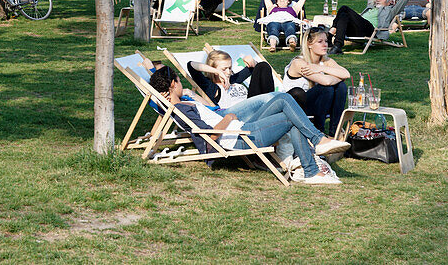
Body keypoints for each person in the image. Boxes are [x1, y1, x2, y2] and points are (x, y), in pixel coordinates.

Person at [149, 66, 347, 184]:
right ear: (173, 84)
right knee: (290, 119)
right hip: (238, 138)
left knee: (283, 100)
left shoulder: (182, 103)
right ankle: (313, 164)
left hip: (240, 128)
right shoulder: (180, 110)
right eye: (178, 81)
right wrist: (229, 118)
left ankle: (317, 143)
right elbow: (210, 138)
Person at [281, 27, 350, 134]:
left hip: (318, 104)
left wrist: (321, 68)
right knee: (326, 88)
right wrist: (336, 77)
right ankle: (319, 131)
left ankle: (335, 131)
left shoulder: (326, 61)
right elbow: (326, 82)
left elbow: (346, 74)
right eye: (320, 42)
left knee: (341, 86)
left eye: (326, 41)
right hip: (297, 107)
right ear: (309, 44)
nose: (325, 45)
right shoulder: (299, 63)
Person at [186, 49, 278, 108]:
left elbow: (256, 68)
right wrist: (218, 72)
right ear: (212, 69)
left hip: (255, 105)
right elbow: (190, 65)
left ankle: (272, 104)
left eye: (230, 68)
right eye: (224, 69)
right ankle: (272, 105)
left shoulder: (233, 79)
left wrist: (251, 60)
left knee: (263, 66)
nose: (228, 72)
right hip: (243, 114)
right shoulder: (211, 87)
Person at [328, 0, 408, 53]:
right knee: (344, 15)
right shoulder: (371, 7)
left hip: (370, 30)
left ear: (389, 2)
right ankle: (337, 46)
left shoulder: (390, 10)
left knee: (344, 8)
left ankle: (330, 36)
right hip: (358, 29)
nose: (377, 0)